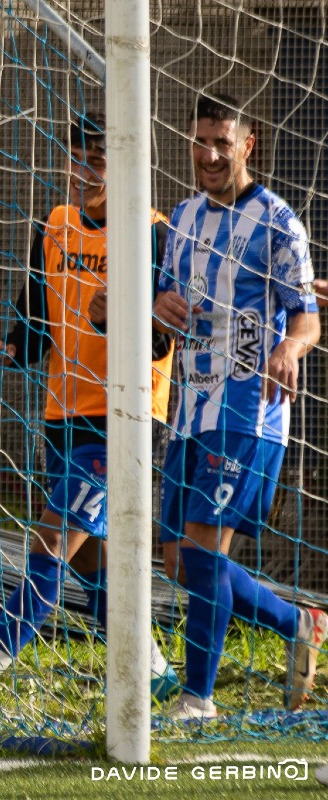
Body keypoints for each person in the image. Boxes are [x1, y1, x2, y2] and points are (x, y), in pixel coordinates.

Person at [0, 114, 181, 717]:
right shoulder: (55, 225)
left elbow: (162, 340)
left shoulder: (153, 233)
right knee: (90, 560)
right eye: (75, 158)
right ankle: (155, 670)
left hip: (123, 418)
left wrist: (117, 314)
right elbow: (36, 316)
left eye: (97, 160)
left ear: (125, 166)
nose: (82, 172)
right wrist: (14, 344)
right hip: (62, 414)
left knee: (49, 544)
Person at [153, 93, 326, 720]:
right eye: (200, 142)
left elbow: (307, 316)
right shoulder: (181, 218)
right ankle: (297, 622)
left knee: (203, 550)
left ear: (247, 145)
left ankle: (198, 697)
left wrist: (289, 349)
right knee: (181, 561)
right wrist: (158, 307)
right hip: (189, 412)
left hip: (249, 411)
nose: (209, 155)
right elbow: (166, 304)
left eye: (222, 143)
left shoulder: (278, 222)